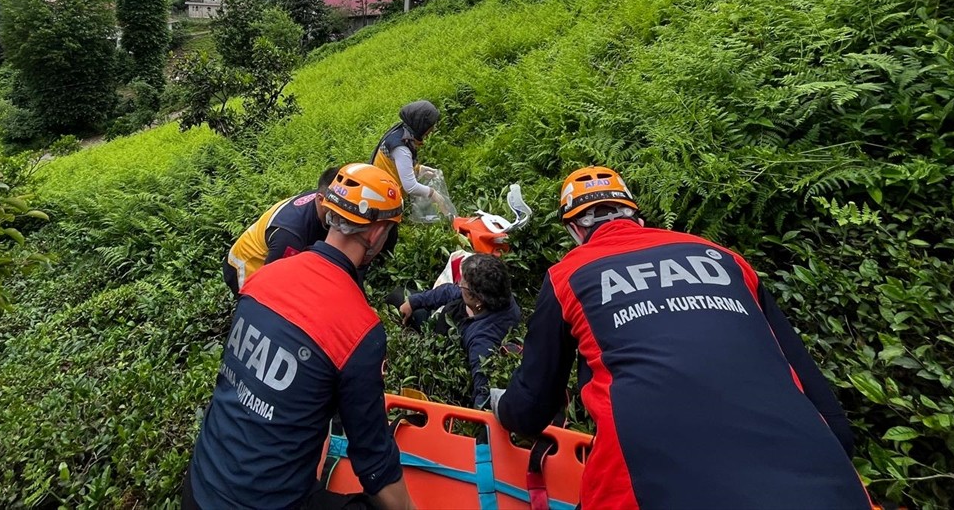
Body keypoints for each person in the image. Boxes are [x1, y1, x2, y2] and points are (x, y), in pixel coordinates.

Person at [492, 166, 871, 510]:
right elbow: (826, 409)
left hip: (644, 487)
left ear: (575, 230)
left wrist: (503, 407)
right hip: (821, 483)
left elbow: (532, 407)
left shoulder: (568, 274)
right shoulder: (725, 258)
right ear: (636, 216)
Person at [183, 162, 416, 510]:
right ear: (376, 233)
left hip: (198, 487)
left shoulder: (263, 279)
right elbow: (375, 463)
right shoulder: (360, 329)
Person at [389, 253, 520, 408]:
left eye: (463, 286)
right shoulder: (496, 293)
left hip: (441, 341)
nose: (459, 285)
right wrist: (413, 302)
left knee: (395, 298)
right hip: (447, 318)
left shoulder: (481, 339)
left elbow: (482, 389)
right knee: (400, 297)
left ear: (478, 300)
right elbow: (450, 291)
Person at [224, 167, 341, 295]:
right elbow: (275, 282)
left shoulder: (329, 197)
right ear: (320, 199)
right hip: (246, 266)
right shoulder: (290, 236)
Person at [370, 100, 451, 216]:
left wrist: (419, 169)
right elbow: (410, 187)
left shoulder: (401, 132)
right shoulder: (401, 148)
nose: (432, 130)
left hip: (381, 189)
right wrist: (433, 194)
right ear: (421, 125)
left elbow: (394, 164)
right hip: (381, 199)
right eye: (430, 126)